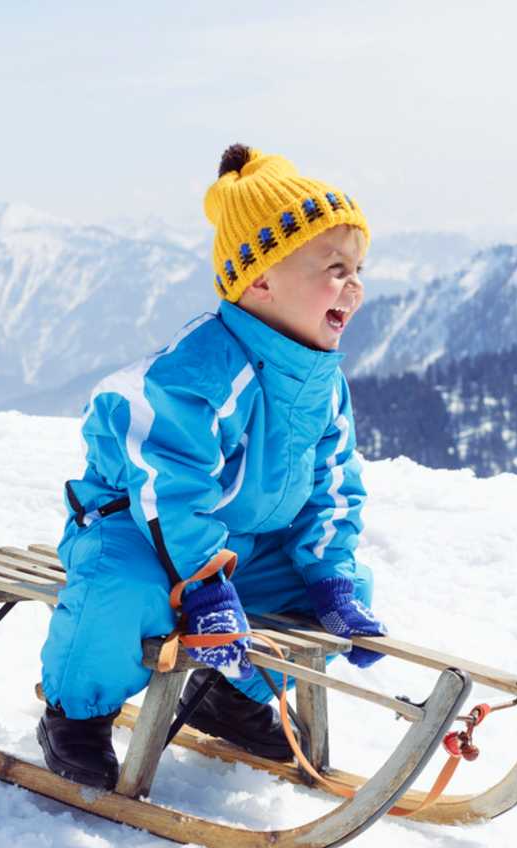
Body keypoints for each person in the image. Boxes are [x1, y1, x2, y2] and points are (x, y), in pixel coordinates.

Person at [36, 143, 388, 790]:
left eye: (359, 267)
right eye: (334, 267)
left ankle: (238, 697)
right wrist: (202, 586)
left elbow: (334, 490)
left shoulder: (322, 384)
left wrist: (332, 579)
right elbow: (170, 489)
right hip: (139, 531)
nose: (355, 284)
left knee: (320, 596)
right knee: (121, 594)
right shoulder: (202, 372)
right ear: (260, 280)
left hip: (241, 548)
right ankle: (76, 716)